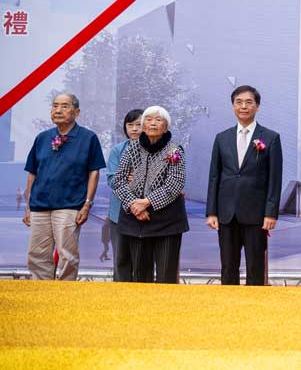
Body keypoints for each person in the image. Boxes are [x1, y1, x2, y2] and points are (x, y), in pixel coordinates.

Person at [22, 93, 106, 280]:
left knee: (67, 256)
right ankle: (41, 295)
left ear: (76, 112)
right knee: (37, 256)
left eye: (64, 106)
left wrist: (87, 204)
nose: (58, 110)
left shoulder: (88, 137)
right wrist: (28, 206)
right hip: (39, 206)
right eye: (55, 106)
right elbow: (33, 173)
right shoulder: (42, 138)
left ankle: (64, 295)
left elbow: (94, 172)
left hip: (69, 206)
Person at [206, 85, 283, 286]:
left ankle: (255, 311)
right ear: (233, 106)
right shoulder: (222, 138)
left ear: (257, 106)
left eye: (249, 102)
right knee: (228, 266)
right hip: (226, 214)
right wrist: (211, 212)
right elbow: (214, 176)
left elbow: (275, 178)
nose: (244, 106)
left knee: (255, 266)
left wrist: (271, 213)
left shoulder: (271, 137)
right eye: (239, 102)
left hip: (256, 215)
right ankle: (229, 310)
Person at [113, 106, 188, 284]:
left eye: (158, 120)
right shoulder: (131, 148)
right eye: (148, 119)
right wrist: (134, 205)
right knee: (139, 275)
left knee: (166, 276)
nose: (153, 123)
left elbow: (175, 184)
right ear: (143, 125)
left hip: (167, 222)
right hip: (136, 219)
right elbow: (119, 180)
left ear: (166, 126)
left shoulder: (175, 150)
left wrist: (146, 202)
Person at [106, 108, 143, 281]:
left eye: (139, 124)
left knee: (143, 261)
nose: (134, 129)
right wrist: (126, 178)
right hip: (118, 214)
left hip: (147, 214)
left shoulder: (157, 150)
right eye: (130, 125)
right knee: (120, 260)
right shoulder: (117, 151)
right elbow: (113, 180)